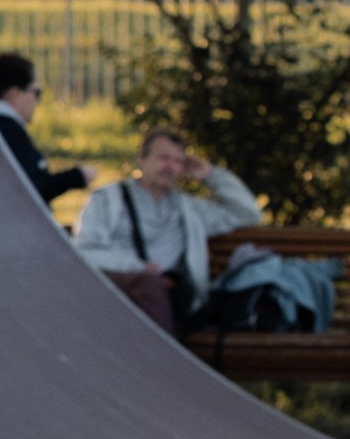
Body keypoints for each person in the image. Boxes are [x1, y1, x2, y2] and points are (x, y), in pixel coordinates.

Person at [74, 127, 264, 336]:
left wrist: (210, 175)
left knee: (158, 292)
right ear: (142, 160)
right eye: (164, 158)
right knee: (149, 287)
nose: (171, 167)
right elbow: (86, 250)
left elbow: (248, 213)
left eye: (178, 161)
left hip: (172, 299)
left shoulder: (189, 210)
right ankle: (161, 363)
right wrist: (140, 268)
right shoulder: (108, 199)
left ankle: (159, 361)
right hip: (116, 290)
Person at [0, 53, 93, 207]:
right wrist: (76, 176)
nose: (37, 101)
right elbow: (29, 191)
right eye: (36, 92)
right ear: (15, 94)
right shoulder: (8, 131)